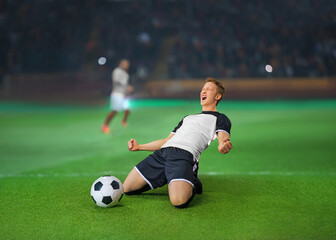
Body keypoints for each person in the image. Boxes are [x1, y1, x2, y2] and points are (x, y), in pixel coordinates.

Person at [123, 77, 233, 208]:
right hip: (162, 153)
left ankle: (191, 180)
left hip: (183, 155)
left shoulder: (220, 118)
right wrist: (139, 147)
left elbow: (223, 137)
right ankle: (168, 175)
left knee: (178, 201)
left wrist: (223, 144)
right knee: (127, 188)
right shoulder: (187, 118)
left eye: (209, 89)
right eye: (203, 89)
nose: (203, 91)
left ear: (218, 96)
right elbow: (166, 141)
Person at [101, 59, 133, 134]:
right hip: (117, 94)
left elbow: (126, 84)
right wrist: (126, 87)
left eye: (127, 64)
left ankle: (123, 121)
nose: (126, 65)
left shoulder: (125, 74)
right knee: (114, 111)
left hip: (123, 95)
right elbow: (116, 81)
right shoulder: (117, 71)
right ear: (120, 64)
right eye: (124, 64)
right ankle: (105, 126)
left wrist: (128, 89)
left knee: (127, 110)